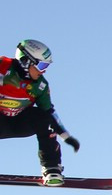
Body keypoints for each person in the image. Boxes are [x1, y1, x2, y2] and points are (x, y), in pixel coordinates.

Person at [0, 39, 80, 185]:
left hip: (18, 123)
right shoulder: (3, 68)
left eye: (46, 66)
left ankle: (51, 169)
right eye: (42, 65)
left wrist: (66, 136)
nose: (44, 70)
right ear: (25, 61)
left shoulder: (40, 85)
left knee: (43, 117)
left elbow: (49, 112)